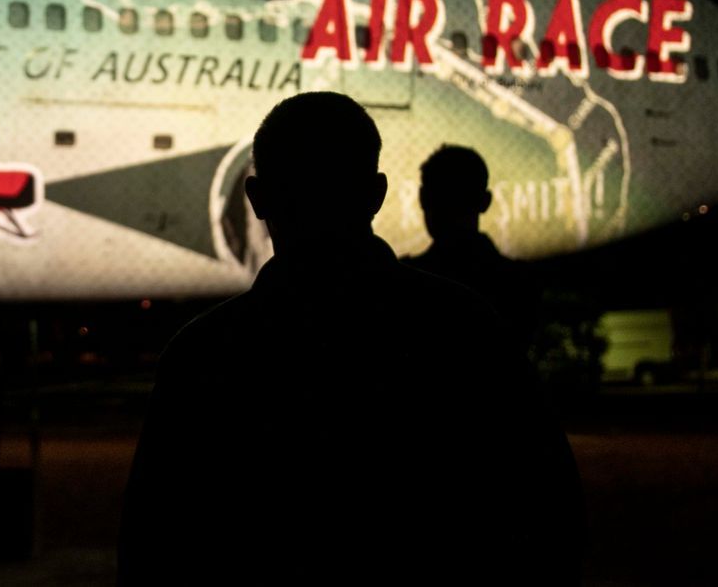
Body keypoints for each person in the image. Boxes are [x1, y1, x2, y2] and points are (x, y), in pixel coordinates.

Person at [118, 93, 582, 585]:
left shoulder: (204, 355)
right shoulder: (465, 327)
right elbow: (549, 507)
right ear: (376, 194)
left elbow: (152, 546)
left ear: (256, 199)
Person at [405, 144, 542, 351]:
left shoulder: (405, 281)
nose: (445, 208)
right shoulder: (518, 282)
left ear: (422, 199)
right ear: (484, 202)